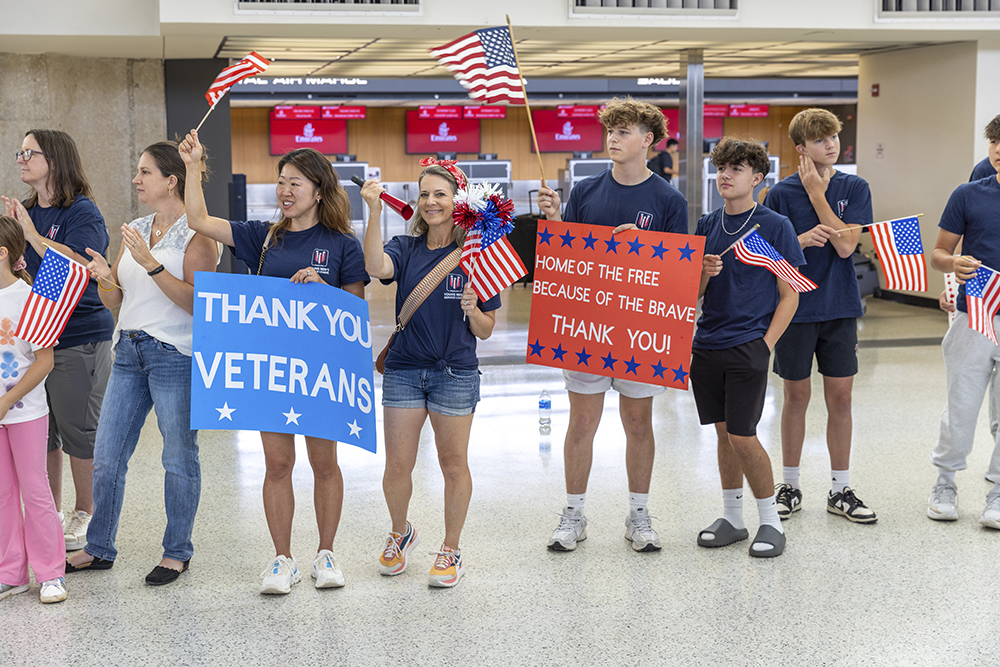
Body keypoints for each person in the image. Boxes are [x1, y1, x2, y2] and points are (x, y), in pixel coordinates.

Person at [179, 130, 368, 594]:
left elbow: (356, 310)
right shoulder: (260, 237)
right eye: (281, 181)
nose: (284, 190)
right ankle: (282, 559)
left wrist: (324, 291)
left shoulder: (343, 245)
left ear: (319, 191)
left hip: (323, 373)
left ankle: (326, 554)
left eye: (295, 183)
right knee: (277, 464)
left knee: (325, 464)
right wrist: (191, 165)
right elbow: (199, 219)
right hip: (273, 373)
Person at [63, 141, 219, 585]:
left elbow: (199, 305)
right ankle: (98, 547)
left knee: (178, 457)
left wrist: (151, 265)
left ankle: (177, 552)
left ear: (172, 180)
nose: (136, 179)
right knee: (107, 456)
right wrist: (105, 279)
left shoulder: (198, 235)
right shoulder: (134, 227)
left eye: (145, 172)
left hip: (175, 356)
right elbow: (117, 300)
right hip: (128, 351)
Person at [536, 97, 688, 552]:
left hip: (641, 330)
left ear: (648, 141)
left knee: (638, 422)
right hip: (588, 326)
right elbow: (568, 261)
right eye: (611, 131)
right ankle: (574, 514)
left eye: (624, 132)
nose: (614, 139)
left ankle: (639, 514)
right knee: (581, 422)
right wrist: (556, 220)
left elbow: (678, 277)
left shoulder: (669, 199)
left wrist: (649, 247)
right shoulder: (585, 190)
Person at [361, 159, 498, 588]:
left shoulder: (479, 254)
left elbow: (486, 331)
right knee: (397, 464)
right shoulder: (407, 248)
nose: (431, 202)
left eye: (440, 194)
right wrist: (374, 213)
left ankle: (451, 547)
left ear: (459, 200)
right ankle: (400, 533)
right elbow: (376, 268)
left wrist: (474, 310)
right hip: (404, 368)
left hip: (454, 372)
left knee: (453, 464)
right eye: (424, 195)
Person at [763, 108, 877, 524]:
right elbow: (768, 256)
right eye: (820, 140)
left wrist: (817, 196)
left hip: (841, 306)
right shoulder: (778, 194)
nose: (830, 145)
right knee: (795, 397)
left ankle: (839, 488)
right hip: (795, 309)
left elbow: (847, 246)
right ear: (801, 149)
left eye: (833, 138)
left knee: (841, 398)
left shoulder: (855, 186)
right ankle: (789, 484)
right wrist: (797, 240)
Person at [691, 138, 803, 558]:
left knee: (743, 435)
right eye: (722, 168)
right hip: (707, 344)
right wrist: (703, 272)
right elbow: (693, 295)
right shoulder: (706, 224)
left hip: (747, 346)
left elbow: (790, 294)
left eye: (736, 169)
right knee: (723, 435)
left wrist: (765, 343)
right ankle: (733, 518)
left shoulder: (774, 226)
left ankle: (771, 522)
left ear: (757, 178)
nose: (725, 175)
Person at [8, 130, 113, 551]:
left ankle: (85, 514)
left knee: (79, 432)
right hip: (35, 340)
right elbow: (28, 277)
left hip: (78, 336)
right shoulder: (29, 210)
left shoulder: (81, 211)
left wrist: (32, 237)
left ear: (54, 159)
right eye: (20, 153)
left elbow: (87, 266)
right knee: (42, 429)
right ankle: (48, 512)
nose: (21, 159)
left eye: (29, 152)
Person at [927, 114, 1000, 530]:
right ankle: (945, 482)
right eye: (994, 146)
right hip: (975, 314)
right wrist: (953, 264)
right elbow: (939, 252)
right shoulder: (969, 194)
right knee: (962, 403)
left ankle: (997, 493)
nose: (997, 153)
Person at [0, 215, 63, 604]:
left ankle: (51, 572)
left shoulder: (30, 299)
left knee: (35, 489)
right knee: (3, 493)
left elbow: (44, 361)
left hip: (23, 411)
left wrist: (7, 400)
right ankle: (11, 571)